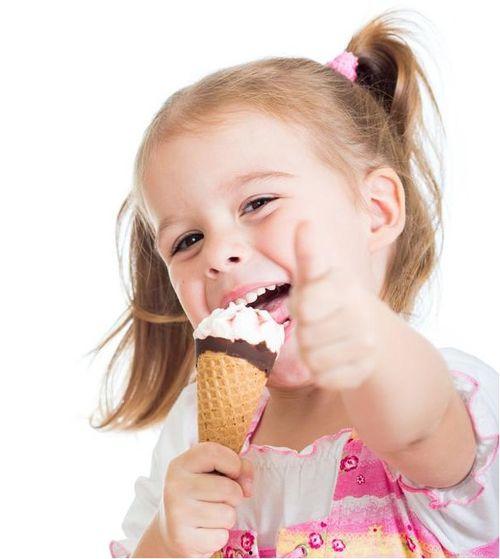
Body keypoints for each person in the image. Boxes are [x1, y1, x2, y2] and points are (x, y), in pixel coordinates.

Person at [93, 8, 499, 558]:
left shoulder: (439, 393)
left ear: (376, 210)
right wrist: (165, 543)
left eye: (258, 203)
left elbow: (417, 426)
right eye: (187, 240)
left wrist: (365, 335)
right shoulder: (194, 434)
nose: (219, 252)